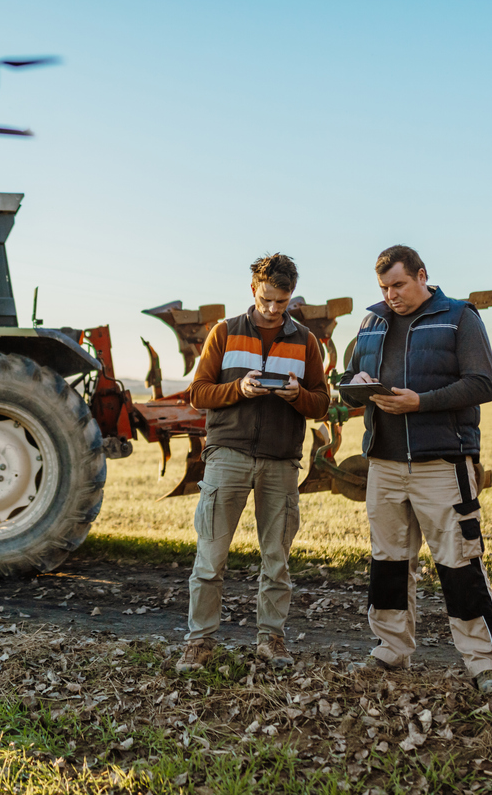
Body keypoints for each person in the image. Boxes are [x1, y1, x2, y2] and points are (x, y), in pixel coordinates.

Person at [341, 245, 492, 696]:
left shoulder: (459, 317)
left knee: (459, 562)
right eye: (383, 288)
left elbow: (483, 383)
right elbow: (353, 374)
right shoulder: (371, 321)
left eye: (398, 284)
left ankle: (483, 663)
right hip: (384, 462)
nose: (391, 295)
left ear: (422, 275)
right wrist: (354, 385)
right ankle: (391, 650)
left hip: (442, 462)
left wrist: (421, 402)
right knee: (389, 561)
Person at [175, 253, 330, 672]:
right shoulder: (224, 333)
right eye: (266, 300)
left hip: (281, 462)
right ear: (253, 290)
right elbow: (198, 393)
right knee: (211, 557)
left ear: (291, 296)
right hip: (228, 455)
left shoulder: (306, 342)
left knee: (276, 559)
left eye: (282, 302)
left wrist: (297, 395)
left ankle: (271, 639)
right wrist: (238, 389)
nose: (273, 309)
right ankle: (199, 642)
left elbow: (322, 402)